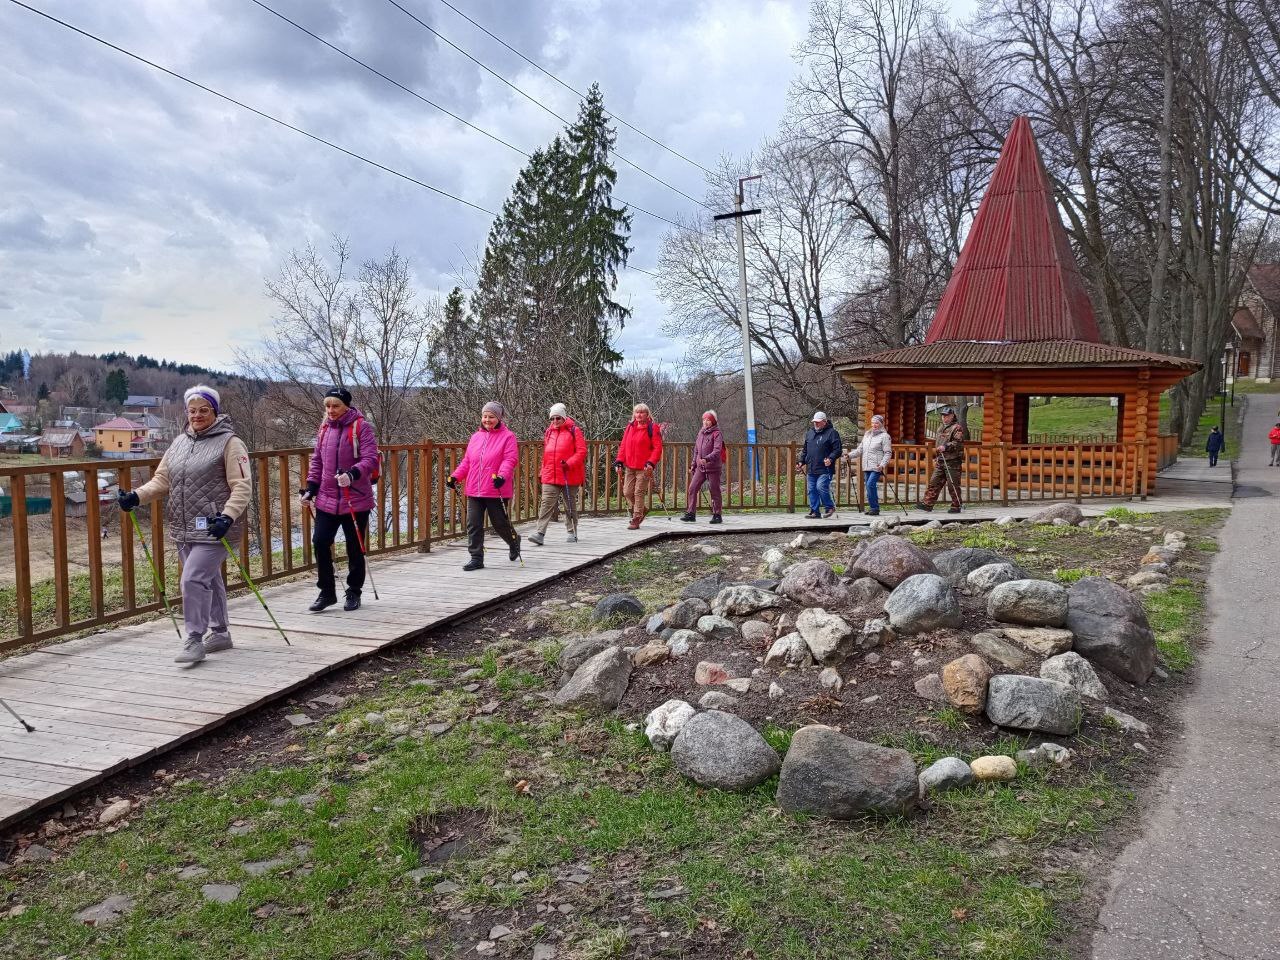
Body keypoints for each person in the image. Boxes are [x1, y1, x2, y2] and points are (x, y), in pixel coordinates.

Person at [116, 385, 251, 664]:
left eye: (204, 410)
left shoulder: (230, 443)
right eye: (192, 411)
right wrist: (136, 496)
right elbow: (162, 480)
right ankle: (220, 633)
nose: (197, 415)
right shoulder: (179, 442)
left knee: (192, 579)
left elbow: (242, 486)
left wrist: (227, 516)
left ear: (215, 411)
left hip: (217, 526)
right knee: (207, 579)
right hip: (184, 526)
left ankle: (194, 639)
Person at [300, 387, 379, 613]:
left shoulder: (360, 427)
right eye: (327, 406)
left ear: (346, 406)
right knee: (320, 542)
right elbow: (317, 461)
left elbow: (371, 458)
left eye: (335, 406)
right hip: (327, 498)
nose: (331, 410)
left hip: (355, 498)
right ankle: (327, 592)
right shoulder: (324, 428)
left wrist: (352, 474)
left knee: (355, 547)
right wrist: (310, 489)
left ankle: (354, 591)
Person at [447, 401, 520, 571]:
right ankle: (476, 558)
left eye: (491, 417)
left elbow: (510, 460)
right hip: (474, 488)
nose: (487, 420)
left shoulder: (508, 436)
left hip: (495, 487)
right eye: (485, 416)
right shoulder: (475, 437)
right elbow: (467, 462)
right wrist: (455, 476)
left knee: (499, 523)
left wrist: (502, 476)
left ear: (499, 418)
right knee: (473, 524)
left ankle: (514, 541)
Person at [530, 402, 587, 546]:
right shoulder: (549, 432)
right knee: (546, 503)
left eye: (558, 418)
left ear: (564, 417)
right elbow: (546, 454)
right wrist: (543, 471)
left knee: (569, 504)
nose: (555, 421)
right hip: (550, 474)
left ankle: (572, 531)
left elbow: (581, 452)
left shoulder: (574, 430)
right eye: (552, 418)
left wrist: (569, 463)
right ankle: (540, 533)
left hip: (569, 473)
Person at [614, 403, 664, 530]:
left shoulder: (653, 428)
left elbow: (657, 448)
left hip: (644, 467)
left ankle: (636, 517)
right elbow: (623, 445)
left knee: (638, 492)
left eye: (642, 412)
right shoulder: (630, 427)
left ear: (647, 414)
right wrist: (619, 461)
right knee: (627, 492)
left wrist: (651, 462)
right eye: (637, 412)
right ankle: (643, 510)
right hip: (630, 466)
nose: (639, 415)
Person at [917, 405, 965, 513]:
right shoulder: (940, 428)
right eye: (943, 416)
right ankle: (927, 504)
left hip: (953, 461)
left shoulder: (957, 428)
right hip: (941, 460)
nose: (944, 418)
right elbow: (938, 444)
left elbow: (957, 443)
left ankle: (956, 506)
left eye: (947, 416)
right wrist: (937, 456)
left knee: (953, 485)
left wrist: (946, 447)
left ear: (952, 416)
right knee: (934, 482)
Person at [681, 410, 724, 524]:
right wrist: (693, 464)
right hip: (700, 467)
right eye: (704, 419)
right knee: (692, 488)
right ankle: (691, 513)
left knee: (714, 490)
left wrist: (707, 459)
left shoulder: (717, 433)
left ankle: (717, 514)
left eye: (708, 420)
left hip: (713, 467)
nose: (705, 422)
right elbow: (696, 450)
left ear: (713, 421)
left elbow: (717, 451)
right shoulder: (701, 433)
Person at [798, 411, 842, 519]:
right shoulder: (810, 433)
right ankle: (815, 511)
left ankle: (829, 507)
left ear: (824, 422)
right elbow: (805, 450)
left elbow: (837, 450)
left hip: (825, 468)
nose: (816, 424)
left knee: (821, 486)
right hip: (811, 467)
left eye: (818, 422)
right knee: (811, 489)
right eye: (814, 422)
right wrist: (801, 462)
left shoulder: (832, 433)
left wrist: (831, 458)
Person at [846, 414, 892, 516]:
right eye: (872, 423)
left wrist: (882, 465)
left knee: (870, 484)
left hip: (877, 466)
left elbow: (888, 453)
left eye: (876, 423)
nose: (874, 425)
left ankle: (875, 508)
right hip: (866, 466)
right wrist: (849, 455)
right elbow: (860, 450)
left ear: (881, 424)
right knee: (869, 486)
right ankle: (873, 508)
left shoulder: (885, 436)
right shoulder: (867, 435)